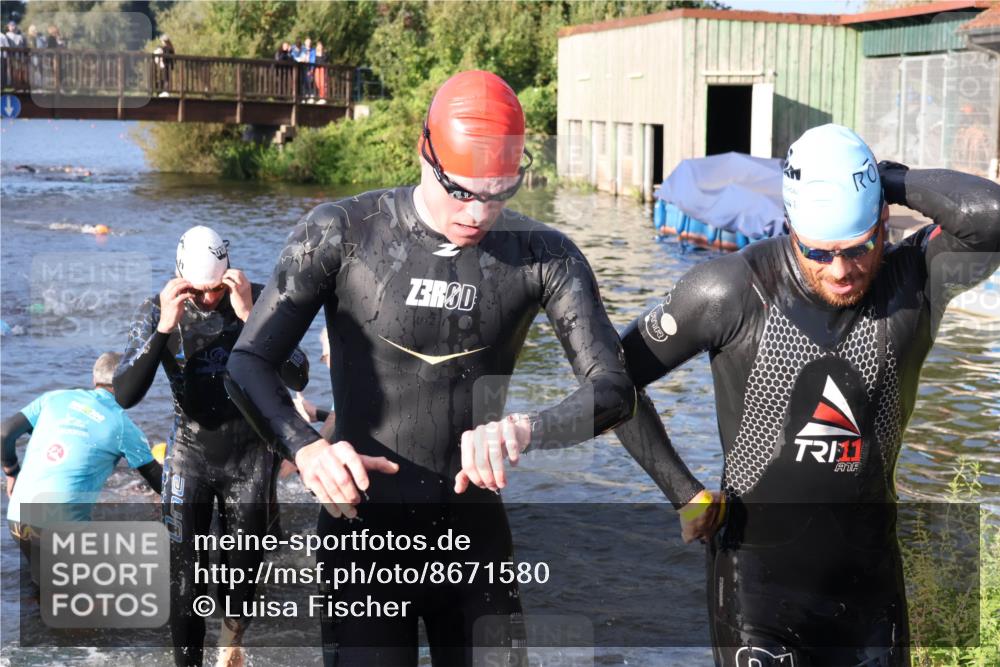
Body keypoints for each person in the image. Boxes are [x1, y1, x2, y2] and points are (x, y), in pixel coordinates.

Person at [225, 69, 635, 665]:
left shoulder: (545, 256)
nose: (479, 213)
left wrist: (526, 429)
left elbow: (613, 389)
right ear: (425, 152)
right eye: (464, 191)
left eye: (500, 193)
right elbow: (248, 362)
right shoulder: (341, 233)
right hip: (362, 534)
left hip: (473, 543)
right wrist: (307, 449)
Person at [614, 123, 1000, 666]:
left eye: (860, 247)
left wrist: (886, 178)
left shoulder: (915, 282)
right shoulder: (732, 290)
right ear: (791, 225)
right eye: (819, 251)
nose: (842, 271)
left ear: (884, 221)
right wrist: (681, 489)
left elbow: (993, 217)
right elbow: (610, 381)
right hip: (757, 599)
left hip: (870, 599)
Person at [114, 225, 310, 667]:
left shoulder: (258, 298)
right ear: (180, 277)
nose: (206, 301)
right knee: (184, 580)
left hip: (251, 454)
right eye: (198, 292)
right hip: (190, 454)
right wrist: (164, 327)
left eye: (215, 291)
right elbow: (124, 394)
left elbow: (299, 374)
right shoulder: (157, 309)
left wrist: (250, 317)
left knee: (242, 572)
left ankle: (231, 639)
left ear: (229, 274)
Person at [2, 352, 162, 584]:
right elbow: (159, 481)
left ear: (94, 378)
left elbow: (4, 433)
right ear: (128, 382)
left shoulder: (53, 398)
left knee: (45, 583)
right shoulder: (122, 425)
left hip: (18, 519)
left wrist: (11, 472)